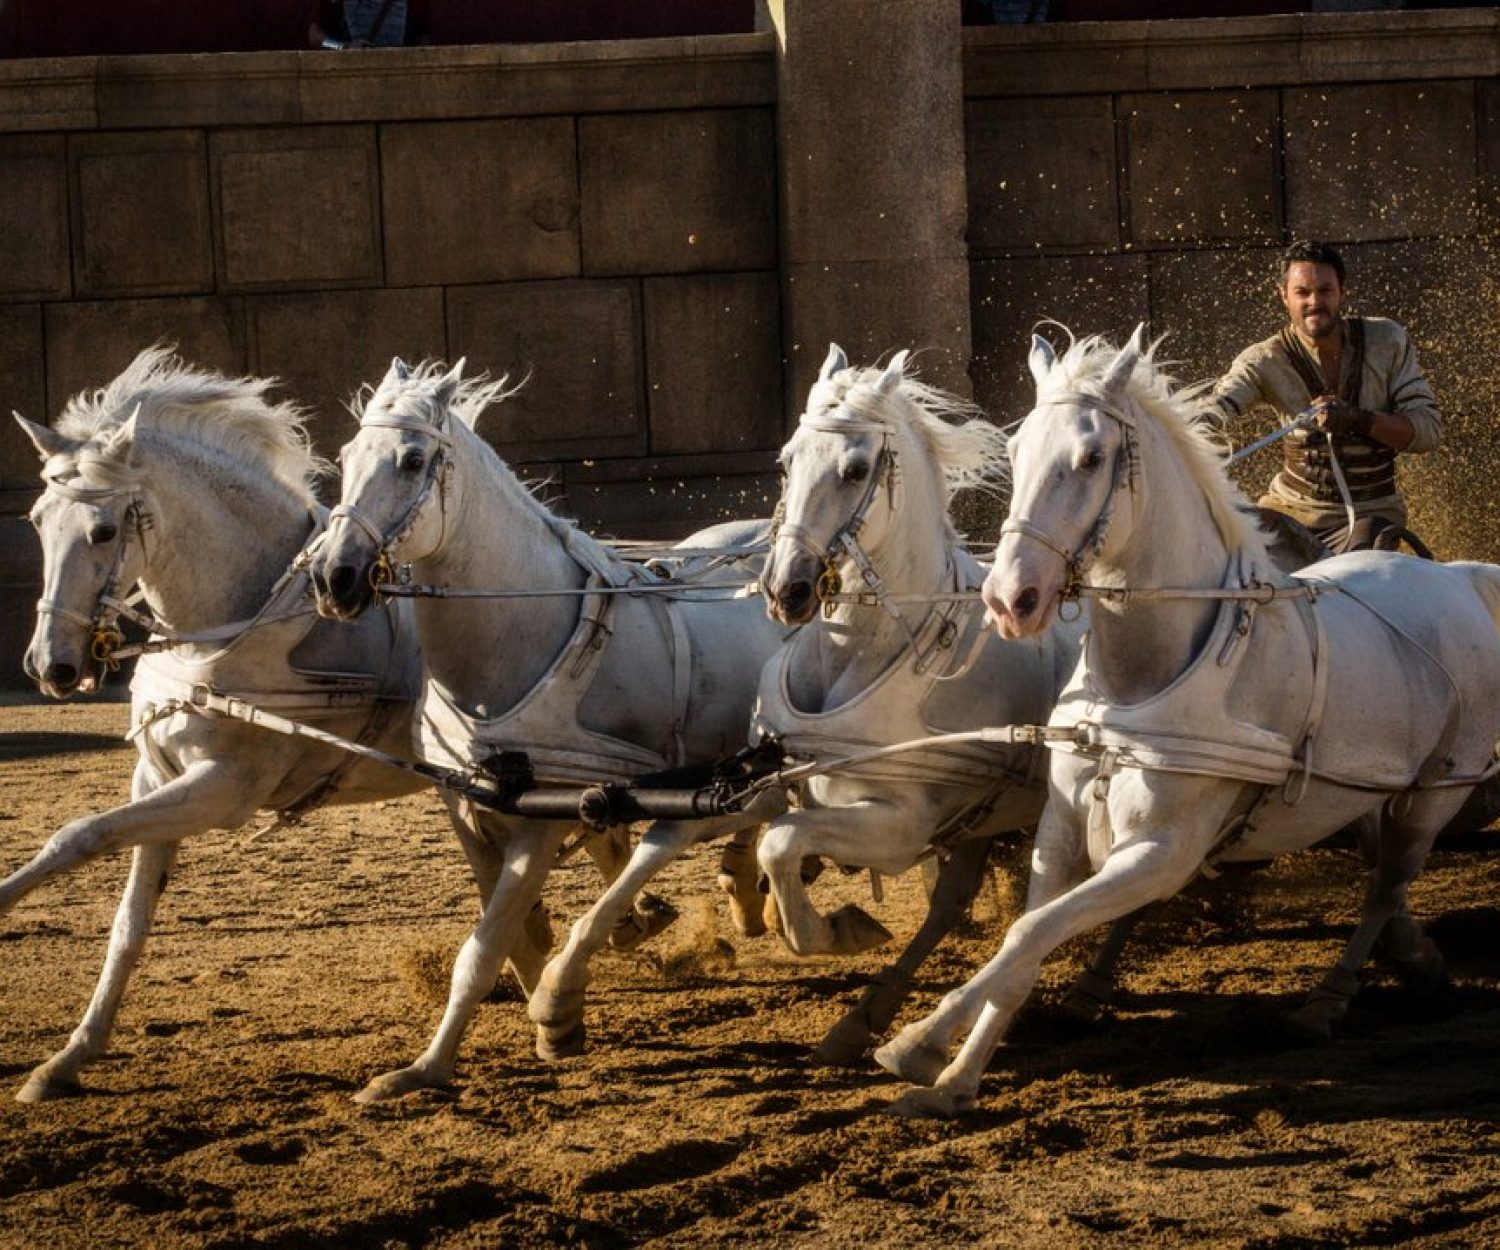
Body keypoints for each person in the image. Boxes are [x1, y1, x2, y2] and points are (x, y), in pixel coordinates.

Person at [1210, 240, 1441, 552]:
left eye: (1325, 291)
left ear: (1342, 292)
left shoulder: (1387, 340)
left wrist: (1357, 419)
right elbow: (1215, 410)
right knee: (1233, 564)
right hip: (1289, 513)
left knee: (1357, 568)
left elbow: (1428, 432)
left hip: (1371, 516)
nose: (1314, 302)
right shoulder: (1263, 360)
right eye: (1302, 292)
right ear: (1284, 296)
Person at [308, 0, 429, 50]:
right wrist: (342, 47)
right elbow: (314, 35)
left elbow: (425, 36)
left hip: (399, 79)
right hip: (350, 78)